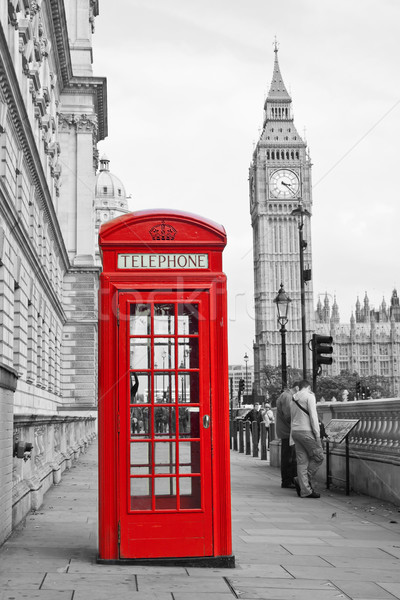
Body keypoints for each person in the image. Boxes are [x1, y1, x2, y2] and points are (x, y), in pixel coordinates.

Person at [290, 380, 324, 498]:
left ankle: (305, 490)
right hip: (306, 432)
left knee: (302, 461)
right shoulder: (309, 396)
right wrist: (317, 435)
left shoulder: (293, 398)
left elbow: (292, 417)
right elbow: (314, 417)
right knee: (319, 457)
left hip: (295, 432)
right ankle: (301, 481)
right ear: (309, 387)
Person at [276, 382, 300, 488]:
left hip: (284, 430)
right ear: (297, 388)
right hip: (287, 431)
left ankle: (288, 480)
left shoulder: (285, 395)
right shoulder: (288, 396)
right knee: (289, 457)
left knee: (288, 456)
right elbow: (288, 415)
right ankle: (287, 480)